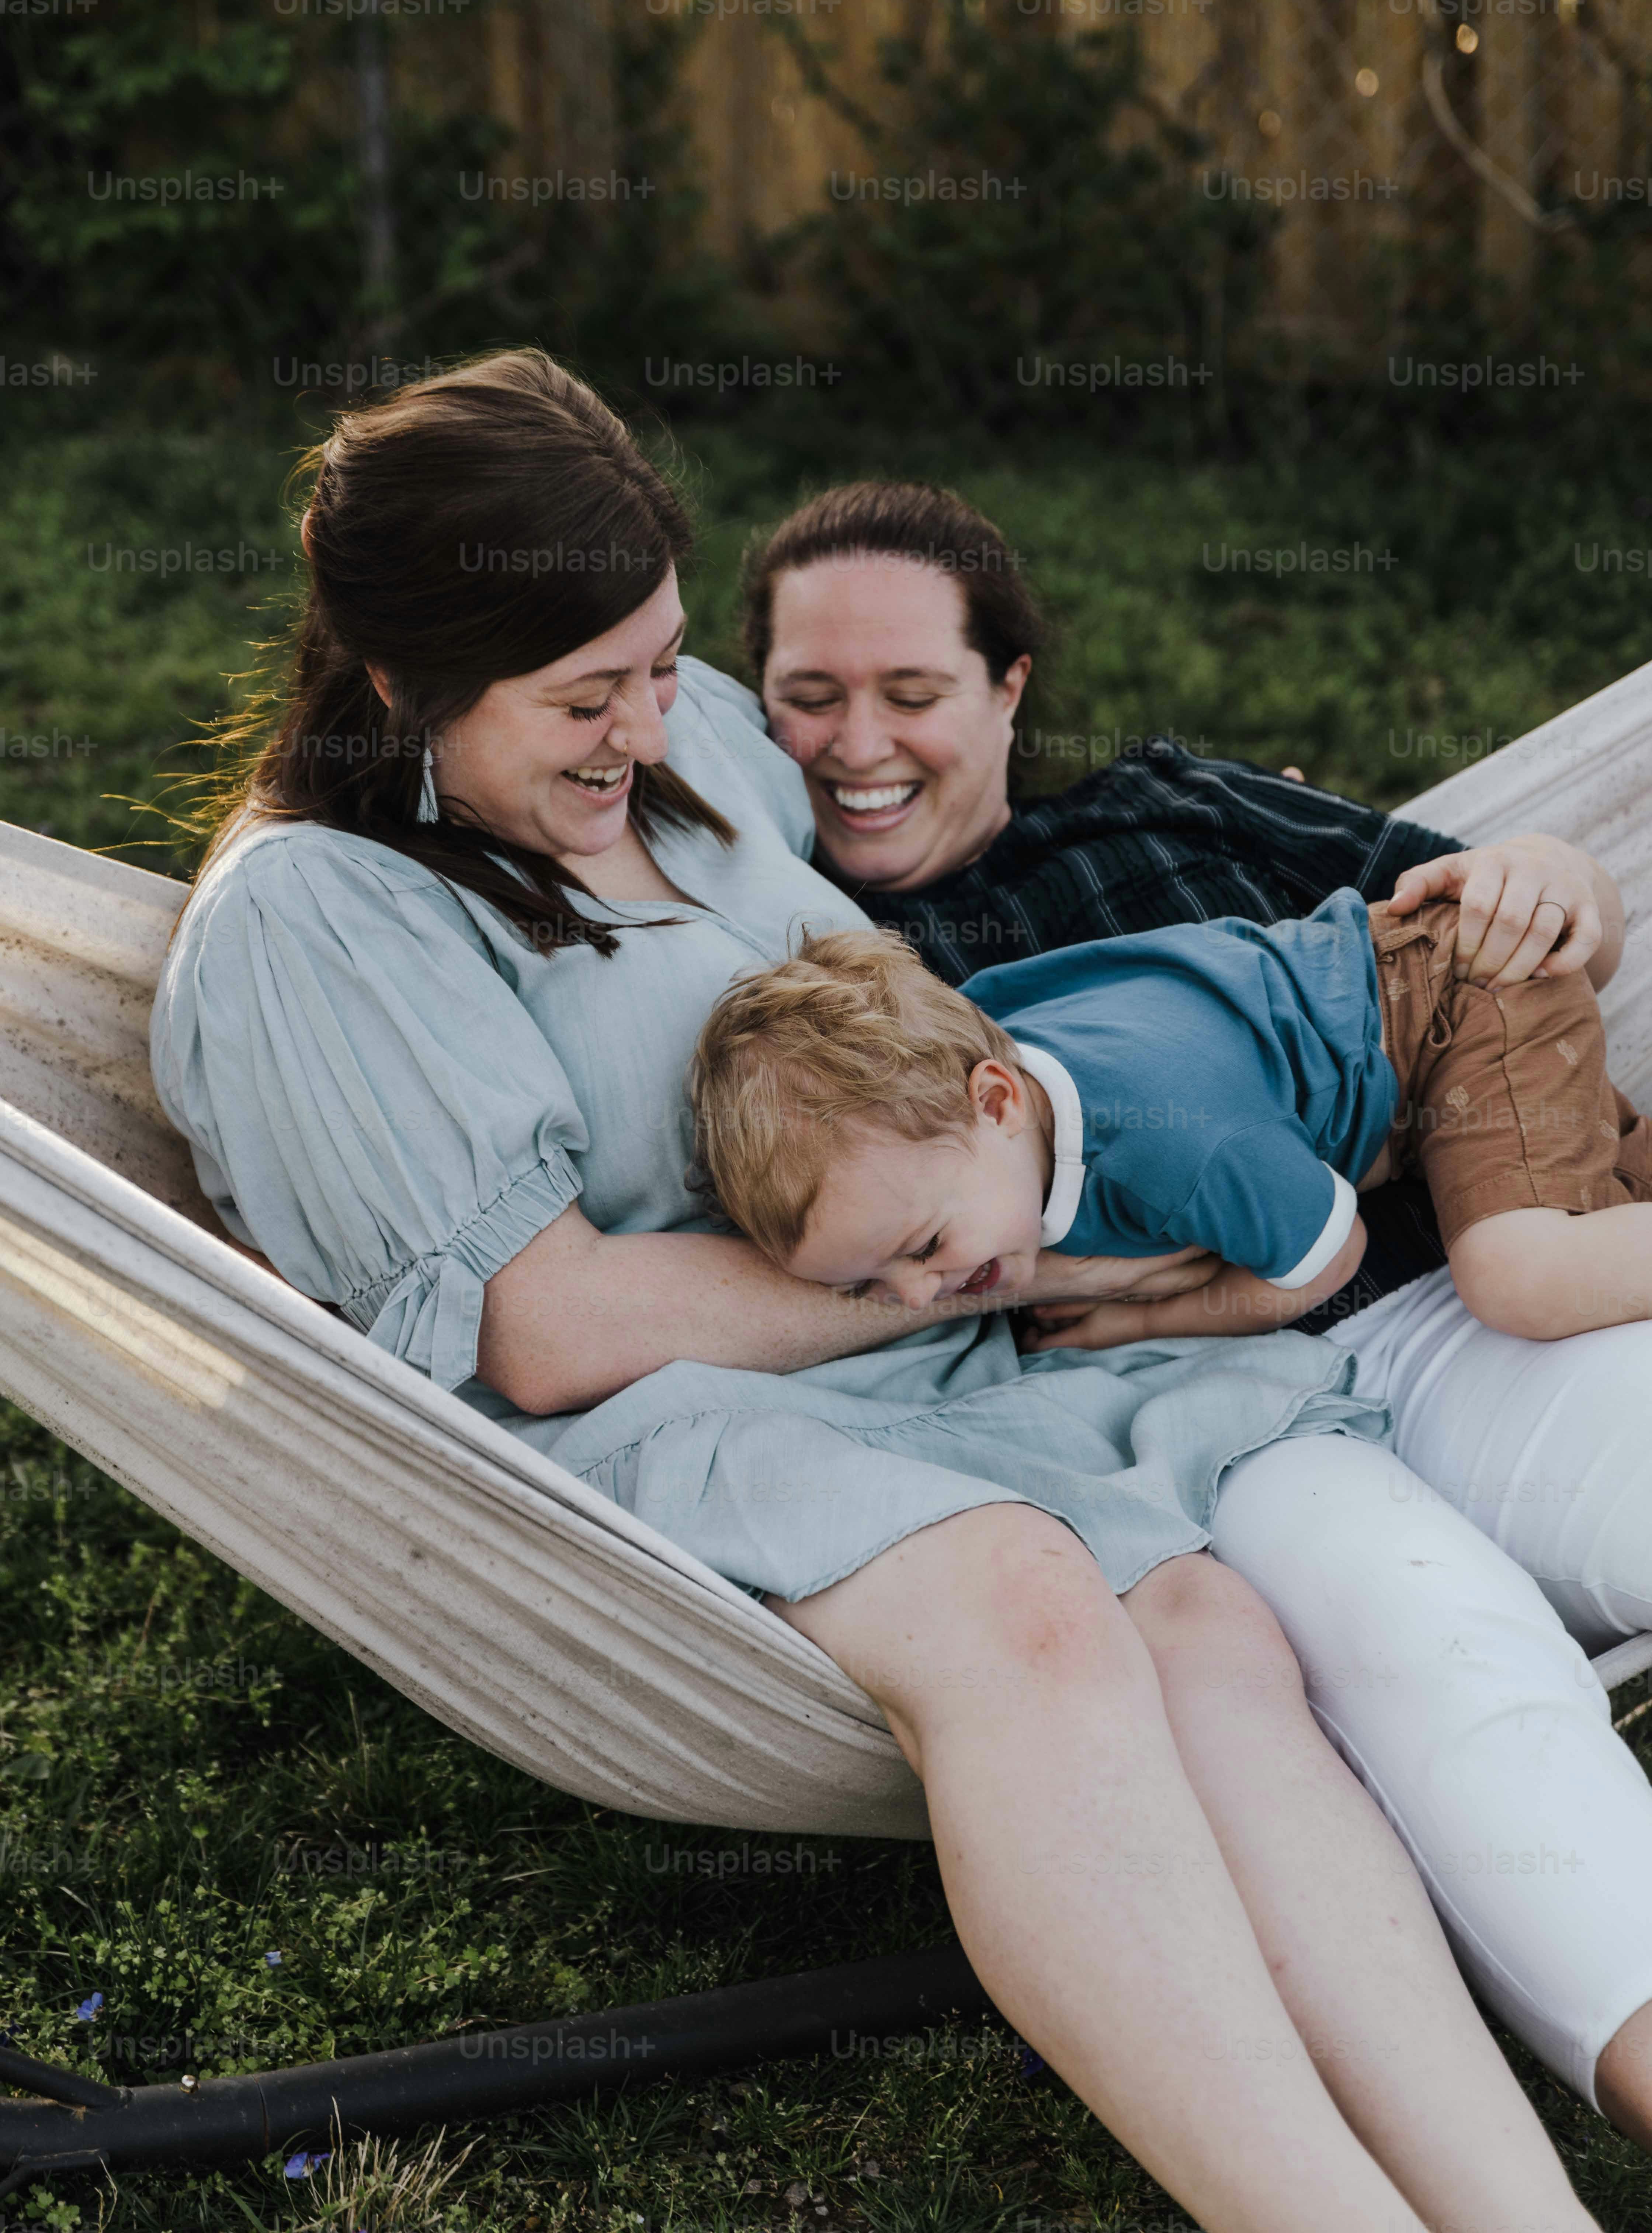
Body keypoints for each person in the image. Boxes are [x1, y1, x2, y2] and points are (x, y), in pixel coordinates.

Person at [148, 352, 1626, 2228]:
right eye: (581, 697)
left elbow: (911, 833)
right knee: (1029, 1608)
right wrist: (981, 1274)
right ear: (394, 683)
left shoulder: (684, 746)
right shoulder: (318, 918)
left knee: (1217, 1642)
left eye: (663, 664)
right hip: (641, 1424)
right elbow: (544, 1325)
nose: (643, 724)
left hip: (940, 1372)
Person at [745, 474, 1652, 2140]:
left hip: (1447, 1281)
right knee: (1437, 1658)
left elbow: (1478, 923)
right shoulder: (786, 977)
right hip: (1200, 1446)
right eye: (805, 697)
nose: (853, 743)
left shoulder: (1164, 818)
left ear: (1007, 687)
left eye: (910, 692)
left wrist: (1555, 878)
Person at [690, 900, 1652, 1345]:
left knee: (1523, 1276)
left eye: (922, 1246)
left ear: (994, 1099)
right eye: (871, 1288)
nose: (916, 1293)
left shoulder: (1166, 1147)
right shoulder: (984, 1099)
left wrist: (1140, 1317)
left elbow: (1327, 1254)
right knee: (1608, 1188)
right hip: (1406, 1013)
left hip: (1460, 1008)